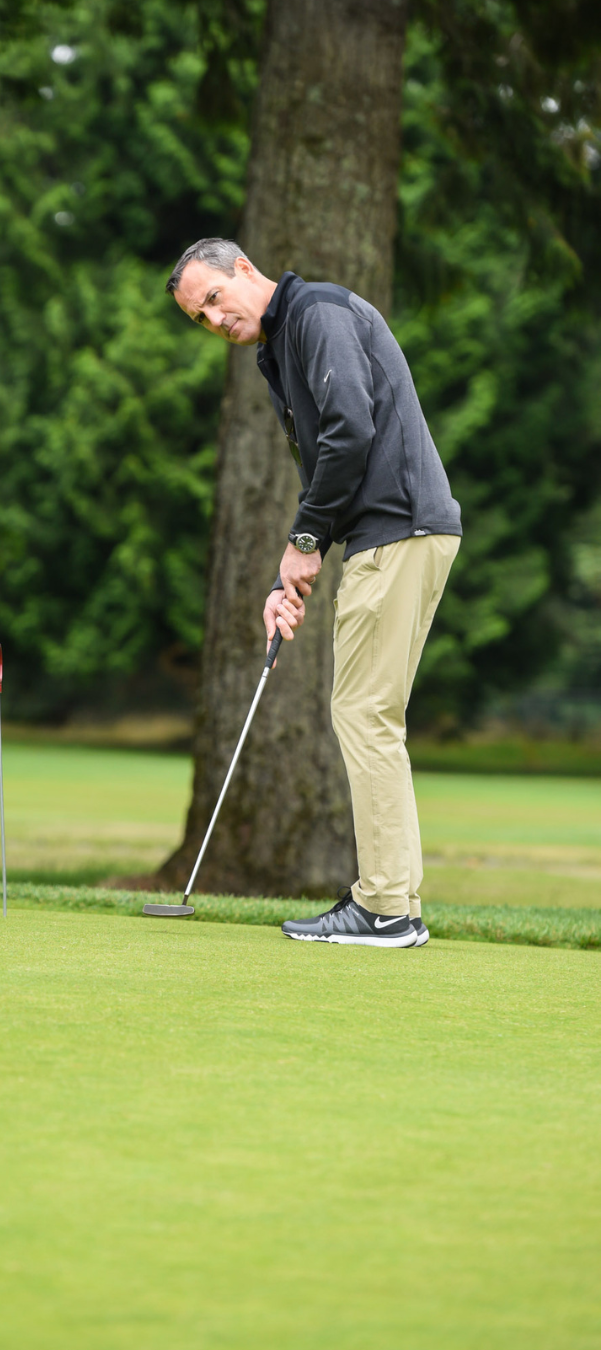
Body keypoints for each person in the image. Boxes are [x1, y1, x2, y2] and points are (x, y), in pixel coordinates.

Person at [167, 238, 461, 948]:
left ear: (243, 269)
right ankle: (397, 903)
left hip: (397, 530)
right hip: (390, 533)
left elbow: (350, 432)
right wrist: (290, 574)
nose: (215, 321)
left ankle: (384, 908)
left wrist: (302, 540)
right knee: (371, 714)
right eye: (200, 318)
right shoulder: (283, 345)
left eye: (214, 299)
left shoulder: (316, 313)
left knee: (364, 713)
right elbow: (330, 467)